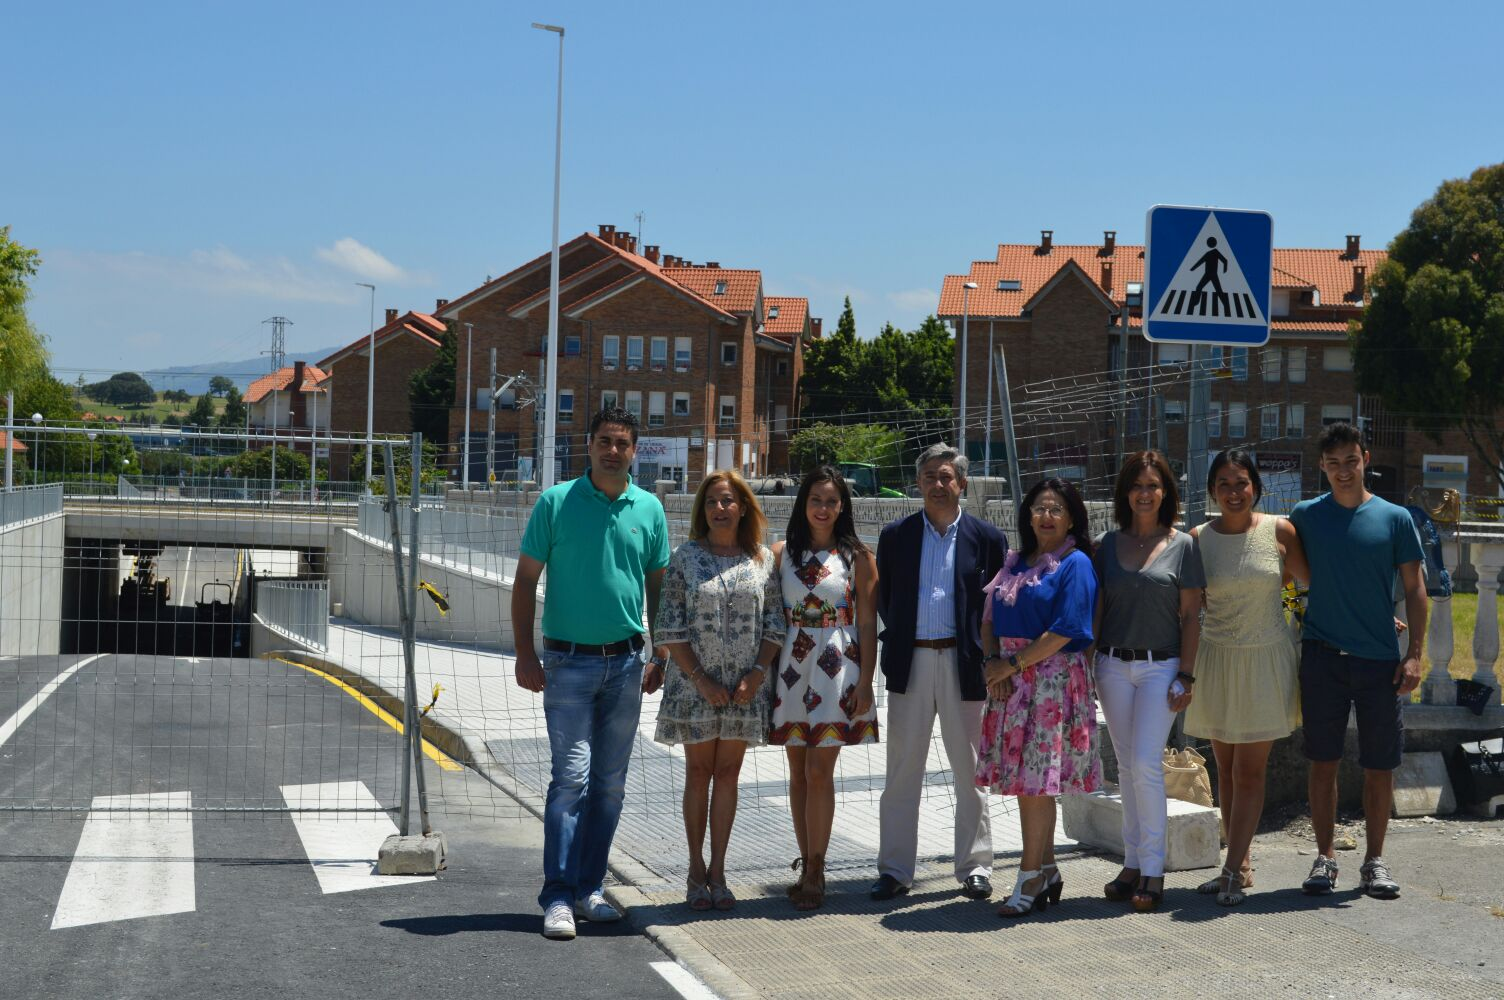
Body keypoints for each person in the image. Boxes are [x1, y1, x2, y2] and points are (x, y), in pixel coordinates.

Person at [512, 407, 671, 940]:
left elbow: (658, 587)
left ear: (634, 451)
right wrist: (524, 654)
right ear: (589, 444)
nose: (612, 450)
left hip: (627, 663)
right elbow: (523, 583)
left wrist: (661, 652)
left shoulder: (648, 508)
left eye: (622, 443)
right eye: (604, 441)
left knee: (609, 786)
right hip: (567, 662)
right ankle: (556, 896)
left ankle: (589, 889)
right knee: (571, 779)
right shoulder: (555, 502)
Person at [1289, 422, 1425, 900]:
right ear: (1322, 468)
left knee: (1379, 764)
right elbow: (1283, 569)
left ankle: (1374, 861)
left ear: (1365, 458)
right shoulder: (1304, 516)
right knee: (1321, 760)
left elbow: (1415, 589)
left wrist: (1414, 657)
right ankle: (1325, 858)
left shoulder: (1394, 518)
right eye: (1333, 463)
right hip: (1322, 657)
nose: (1343, 471)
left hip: (1378, 662)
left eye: (1350, 460)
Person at [870, 443, 1007, 902]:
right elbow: (885, 598)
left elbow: (994, 606)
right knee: (902, 771)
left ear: (962, 483)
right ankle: (894, 870)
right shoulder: (896, 536)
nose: (937, 484)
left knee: (971, 771)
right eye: (929, 476)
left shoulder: (987, 537)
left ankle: (975, 867)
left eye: (946, 476)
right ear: (918, 483)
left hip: (965, 666)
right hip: (911, 661)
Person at [653, 470, 784, 912]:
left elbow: (775, 625)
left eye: (728, 500)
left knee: (728, 776)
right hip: (694, 688)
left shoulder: (762, 559)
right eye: (711, 501)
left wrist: (758, 674)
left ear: (743, 506)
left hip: (744, 690)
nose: (719, 508)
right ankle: (693, 870)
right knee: (698, 774)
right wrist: (701, 680)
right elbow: (668, 625)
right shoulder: (685, 558)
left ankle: (719, 871)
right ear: (702, 509)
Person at [1185, 449, 1309, 906]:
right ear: (1212, 491)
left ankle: (1232, 870)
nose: (1233, 492)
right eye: (1223, 483)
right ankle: (1243, 861)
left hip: (1264, 661)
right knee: (1226, 769)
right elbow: (1187, 609)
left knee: (1250, 771)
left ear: (1255, 486)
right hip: (1216, 661)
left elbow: (1312, 586)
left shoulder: (1280, 530)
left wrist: (1374, 618)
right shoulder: (1197, 538)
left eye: (1241, 483)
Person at [976, 477, 1100, 918]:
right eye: (1039, 509)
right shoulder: (1013, 562)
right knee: (1030, 785)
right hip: (1012, 682)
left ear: (1070, 519)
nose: (1046, 517)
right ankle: (1046, 868)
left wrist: (1012, 665)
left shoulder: (1075, 563)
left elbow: (1068, 629)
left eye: (1056, 510)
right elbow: (988, 616)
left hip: (1051, 685)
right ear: (1027, 515)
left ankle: (1029, 875)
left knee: (1036, 785)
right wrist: (995, 664)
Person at [1092, 451, 1205, 912]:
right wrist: (1087, 659)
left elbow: (1192, 616)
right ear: (1125, 493)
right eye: (1136, 485)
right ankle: (1133, 862)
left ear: (1166, 493)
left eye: (1153, 486)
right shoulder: (1106, 543)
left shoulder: (1183, 545)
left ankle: (1154, 870)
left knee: (1145, 762)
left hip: (1162, 668)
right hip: (1112, 665)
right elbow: (1098, 609)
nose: (1144, 493)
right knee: (1125, 766)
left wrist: (1186, 674)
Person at [770, 465, 879, 910]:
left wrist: (868, 682)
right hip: (792, 666)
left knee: (820, 772)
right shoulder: (779, 554)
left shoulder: (859, 557)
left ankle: (817, 868)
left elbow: (870, 623)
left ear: (843, 506)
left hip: (839, 668)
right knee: (797, 773)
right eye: (816, 499)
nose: (823, 508)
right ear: (803, 503)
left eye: (832, 501)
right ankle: (804, 858)